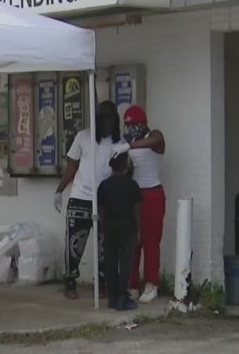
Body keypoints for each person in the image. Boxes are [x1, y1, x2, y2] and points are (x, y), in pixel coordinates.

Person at [54, 100, 129, 300]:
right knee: (75, 243)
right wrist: (59, 190)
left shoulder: (120, 142)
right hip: (81, 196)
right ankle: (70, 281)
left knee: (106, 245)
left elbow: (122, 171)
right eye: (103, 120)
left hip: (106, 200)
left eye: (110, 120)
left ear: (115, 121)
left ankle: (103, 282)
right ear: (97, 120)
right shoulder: (83, 137)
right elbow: (72, 167)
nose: (107, 124)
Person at [122, 104, 166, 303]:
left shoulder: (153, 136)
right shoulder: (127, 140)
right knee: (133, 241)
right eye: (128, 125)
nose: (132, 129)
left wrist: (130, 146)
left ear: (143, 123)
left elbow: (157, 140)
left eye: (135, 125)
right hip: (133, 194)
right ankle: (132, 284)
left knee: (151, 241)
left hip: (152, 193)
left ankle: (151, 283)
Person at [98, 151, 142, 311]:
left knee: (110, 261)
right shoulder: (132, 185)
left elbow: (101, 209)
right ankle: (123, 297)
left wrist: (102, 227)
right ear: (126, 166)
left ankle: (112, 297)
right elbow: (137, 209)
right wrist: (139, 230)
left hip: (110, 227)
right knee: (125, 263)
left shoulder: (104, 185)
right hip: (127, 227)